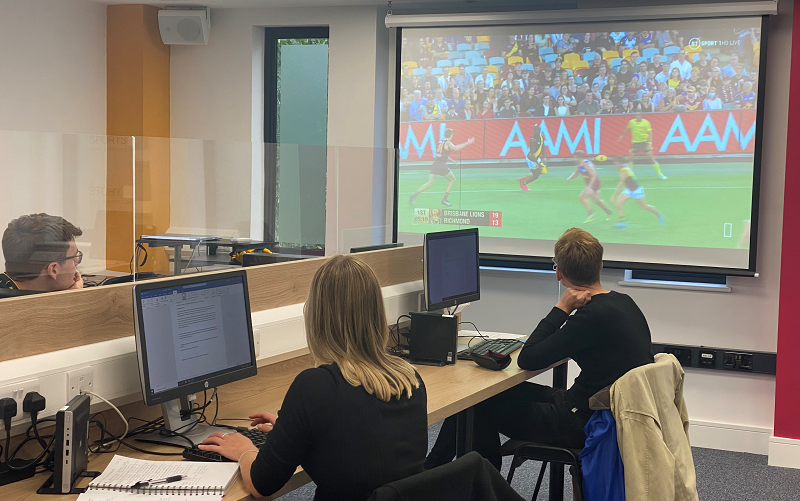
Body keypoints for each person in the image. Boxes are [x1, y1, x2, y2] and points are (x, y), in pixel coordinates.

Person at [200, 255, 427, 500]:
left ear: (316, 315)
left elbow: (262, 484)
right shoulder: (409, 379)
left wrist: (244, 450)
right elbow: (358, 434)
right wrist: (292, 428)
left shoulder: (316, 387)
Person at [426, 228, 655, 471]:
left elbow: (528, 358)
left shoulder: (591, 317)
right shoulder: (623, 302)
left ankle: (478, 485)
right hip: (604, 413)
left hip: (583, 421)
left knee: (477, 409)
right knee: (477, 399)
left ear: (559, 273)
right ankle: (430, 469)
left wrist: (562, 308)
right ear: (600, 266)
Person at [1, 213, 84, 294]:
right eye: (74, 258)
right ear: (53, 270)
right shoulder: (18, 306)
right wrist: (72, 298)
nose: (77, 263)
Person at [409, 128, 474, 207]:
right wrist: (468, 143)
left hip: (435, 164)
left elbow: (442, 154)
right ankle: (445, 199)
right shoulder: (448, 143)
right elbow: (456, 148)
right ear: (451, 135)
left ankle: (414, 195)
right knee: (453, 180)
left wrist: (452, 161)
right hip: (441, 166)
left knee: (429, 183)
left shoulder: (440, 142)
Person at [609, 158, 665, 229]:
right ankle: (622, 223)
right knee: (618, 204)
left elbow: (620, 184)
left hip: (636, 190)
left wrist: (613, 196)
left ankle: (659, 215)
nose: (615, 165)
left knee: (644, 206)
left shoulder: (623, 170)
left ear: (621, 163)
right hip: (629, 190)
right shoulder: (624, 168)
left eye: (616, 164)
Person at [617, 111, 667, 180]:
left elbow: (650, 133)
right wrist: (622, 136)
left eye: (639, 115)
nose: (637, 116)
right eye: (636, 115)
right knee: (630, 159)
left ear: (641, 116)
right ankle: (631, 175)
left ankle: (660, 174)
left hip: (644, 143)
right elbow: (627, 129)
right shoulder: (631, 122)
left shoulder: (646, 122)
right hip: (635, 143)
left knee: (651, 159)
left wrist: (649, 143)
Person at [567, 151, 613, 223]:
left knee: (582, 197)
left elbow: (594, 175)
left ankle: (591, 214)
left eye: (575, 157)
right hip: (590, 183)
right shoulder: (578, 165)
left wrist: (589, 187)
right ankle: (607, 211)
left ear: (579, 157)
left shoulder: (587, 164)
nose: (574, 159)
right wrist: (569, 178)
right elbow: (575, 174)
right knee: (596, 200)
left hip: (594, 182)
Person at [518, 124, 548, 192]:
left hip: (536, 158)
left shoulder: (541, 137)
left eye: (538, 130)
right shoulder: (533, 140)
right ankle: (523, 184)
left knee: (541, 171)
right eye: (536, 130)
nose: (537, 131)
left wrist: (544, 158)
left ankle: (522, 179)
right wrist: (537, 162)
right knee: (535, 176)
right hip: (531, 159)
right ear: (534, 131)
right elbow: (532, 153)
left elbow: (542, 146)